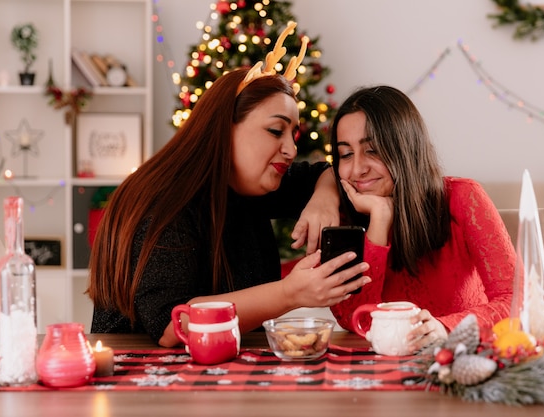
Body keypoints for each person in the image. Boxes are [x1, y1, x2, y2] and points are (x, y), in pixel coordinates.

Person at [87, 24, 370, 347]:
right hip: (143, 383)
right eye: (276, 131)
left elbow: (325, 172)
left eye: (293, 134)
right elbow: (173, 325)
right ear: (224, 129)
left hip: (219, 376)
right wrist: (290, 293)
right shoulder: (165, 201)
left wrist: (323, 198)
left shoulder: (248, 185)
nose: (291, 149)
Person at [328, 85, 516, 353]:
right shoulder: (341, 216)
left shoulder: (463, 198)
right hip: (378, 375)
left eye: (372, 150)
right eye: (346, 154)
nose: (357, 168)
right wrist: (379, 222)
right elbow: (354, 319)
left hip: (460, 363)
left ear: (405, 149)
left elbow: (516, 301)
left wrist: (445, 328)